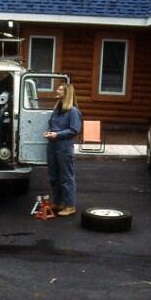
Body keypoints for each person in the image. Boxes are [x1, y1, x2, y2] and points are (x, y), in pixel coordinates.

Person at [43, 82, 82, 216]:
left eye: (60, 89)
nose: (57, 90)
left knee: (66, 177)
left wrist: (58, 134)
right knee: (54, 176)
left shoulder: (73, 111)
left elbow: (74, 129)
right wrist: (49, 132)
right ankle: (58, 202)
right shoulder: (57, 109)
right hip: (52, 145)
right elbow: (50, 124)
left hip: (64, 146)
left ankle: (70, 205)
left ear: (66, 93)